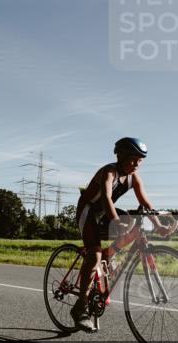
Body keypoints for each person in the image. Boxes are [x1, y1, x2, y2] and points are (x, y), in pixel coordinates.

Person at [72, 137, 172, 332]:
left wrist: (159, 226)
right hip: (88, 210)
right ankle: (80, 307)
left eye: (140, 161)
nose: (137, 164)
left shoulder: (134, 178)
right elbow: (107, 197)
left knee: (133, 220)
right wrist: (116, 221)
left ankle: (111, 254)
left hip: (104, 213)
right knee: (94, 255)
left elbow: (146, 205)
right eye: (133, 160)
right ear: (121, 156)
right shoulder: (109, 172)